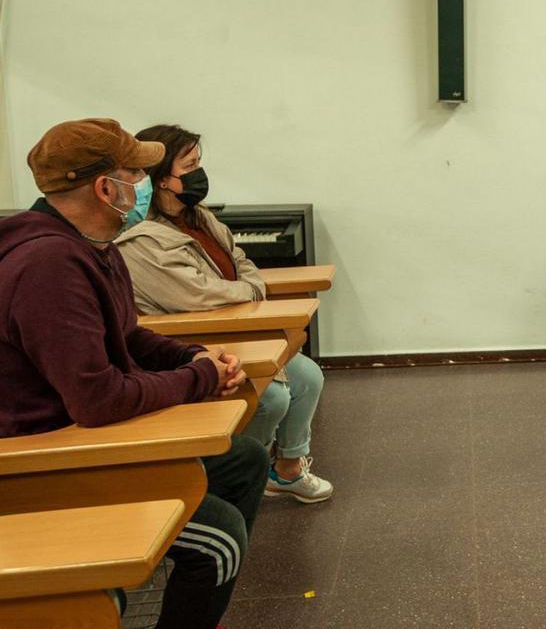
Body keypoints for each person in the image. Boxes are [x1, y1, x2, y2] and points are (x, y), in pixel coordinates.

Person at [0, 118, 267, 629]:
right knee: (219, 539)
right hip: (42, 459)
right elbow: (97, 400)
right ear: (106, 187)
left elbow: (126, 337)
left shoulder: (92, 245)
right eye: (137, 174)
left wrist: (192, 357)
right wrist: (202, 379)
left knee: (244, 459)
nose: (144, 186)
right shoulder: (47, 265)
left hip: (79, 438)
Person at [114, 124, 332, 504]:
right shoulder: (140, 239)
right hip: (192, 339)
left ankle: (287, 471)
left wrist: (247, 287)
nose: (200, 173)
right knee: (273, 398)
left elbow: (241, 262)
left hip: (236, 326)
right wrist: (249, 290)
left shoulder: (197, 216)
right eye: (190, 165)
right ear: (162, 179)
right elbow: (198, 296)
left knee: (308, 376)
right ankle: (228, 476)